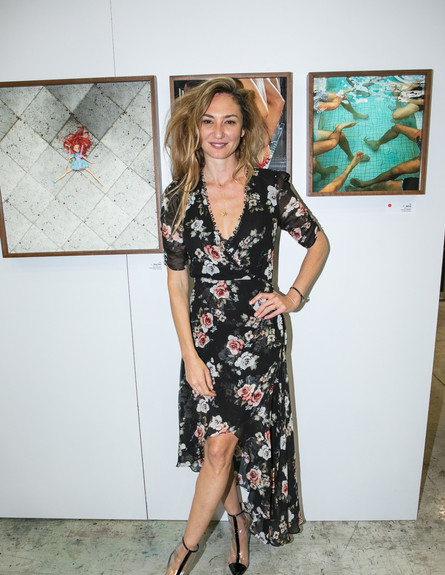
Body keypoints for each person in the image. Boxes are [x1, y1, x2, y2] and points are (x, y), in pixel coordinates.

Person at [161, 77, 329, 575]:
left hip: (258, 342)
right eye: (208, 121)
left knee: (221, 448)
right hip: (206, 341)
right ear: (195, 128)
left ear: (243, 129)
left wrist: (293, 297)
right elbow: (177, 283)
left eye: (229, 121)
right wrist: (190, 355)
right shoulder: (178, 198)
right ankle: (236, 520)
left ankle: (183, 553)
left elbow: (318, 243)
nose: (218, 132)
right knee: (218, 446)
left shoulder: (270, 189)